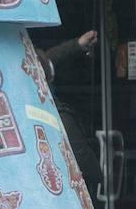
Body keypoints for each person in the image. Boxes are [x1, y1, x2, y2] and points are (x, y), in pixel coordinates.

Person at [39, 30, 104, 200]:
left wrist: (77, 44)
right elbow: (82, 158)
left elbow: (48, 59)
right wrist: (102, 178)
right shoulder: (57, 118)